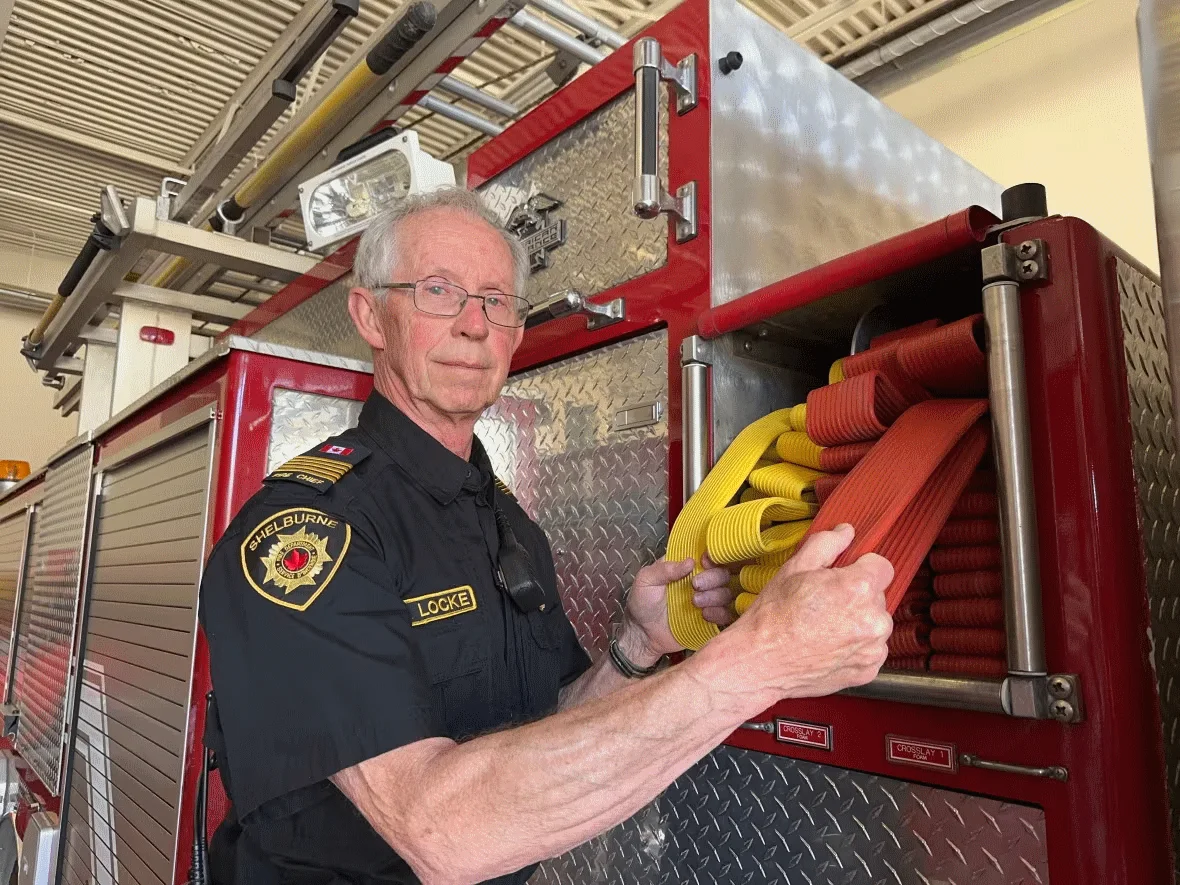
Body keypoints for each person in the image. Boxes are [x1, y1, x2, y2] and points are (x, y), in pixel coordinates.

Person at [198, 187, 894, 885]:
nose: (474, 325)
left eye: (498, 301)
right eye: (438, 290)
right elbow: (441, 832)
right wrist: (763, 658)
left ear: (516, 333)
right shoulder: (308, 533)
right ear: (370, 314)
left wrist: (636, 647)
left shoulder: (508, 522)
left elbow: (547, 721)